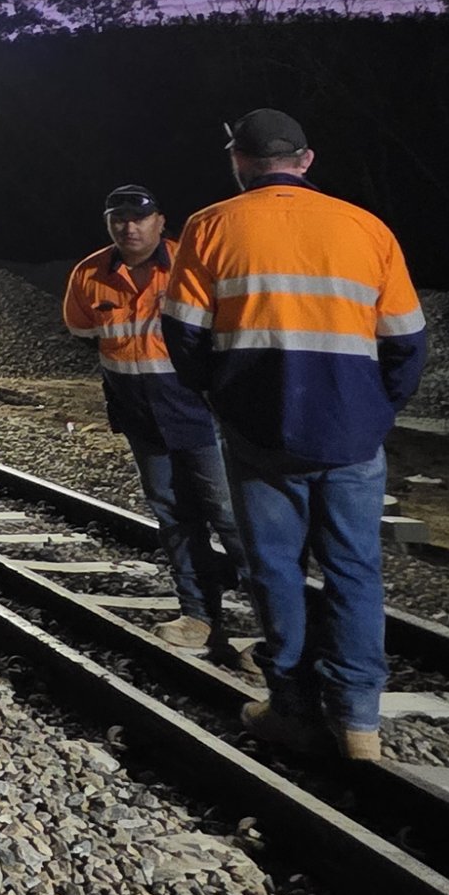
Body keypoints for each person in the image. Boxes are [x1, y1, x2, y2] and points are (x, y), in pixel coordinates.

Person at [162, 111, 426, 765]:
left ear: (239, 162)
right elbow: (407, 342)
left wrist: (221, 396)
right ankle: (359, 722)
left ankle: (292, 707)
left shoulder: (210, 226)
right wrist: (373, 410)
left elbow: (183, 333)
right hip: (353, 436)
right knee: (355, 572)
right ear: (305, 160)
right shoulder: (368, 228)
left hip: (258, 435)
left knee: (276, 569)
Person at [61, 180, 250, 657]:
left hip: (201, 415)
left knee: (232, 518)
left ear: (160, 221)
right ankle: (197, 616)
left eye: (139, 217)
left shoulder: (192, 265)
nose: (129, 227)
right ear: (109, 225)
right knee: (174, 517)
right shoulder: (89, 274)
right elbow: (82, 328)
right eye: (118, 219)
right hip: (141, 417)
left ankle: (280, 629)